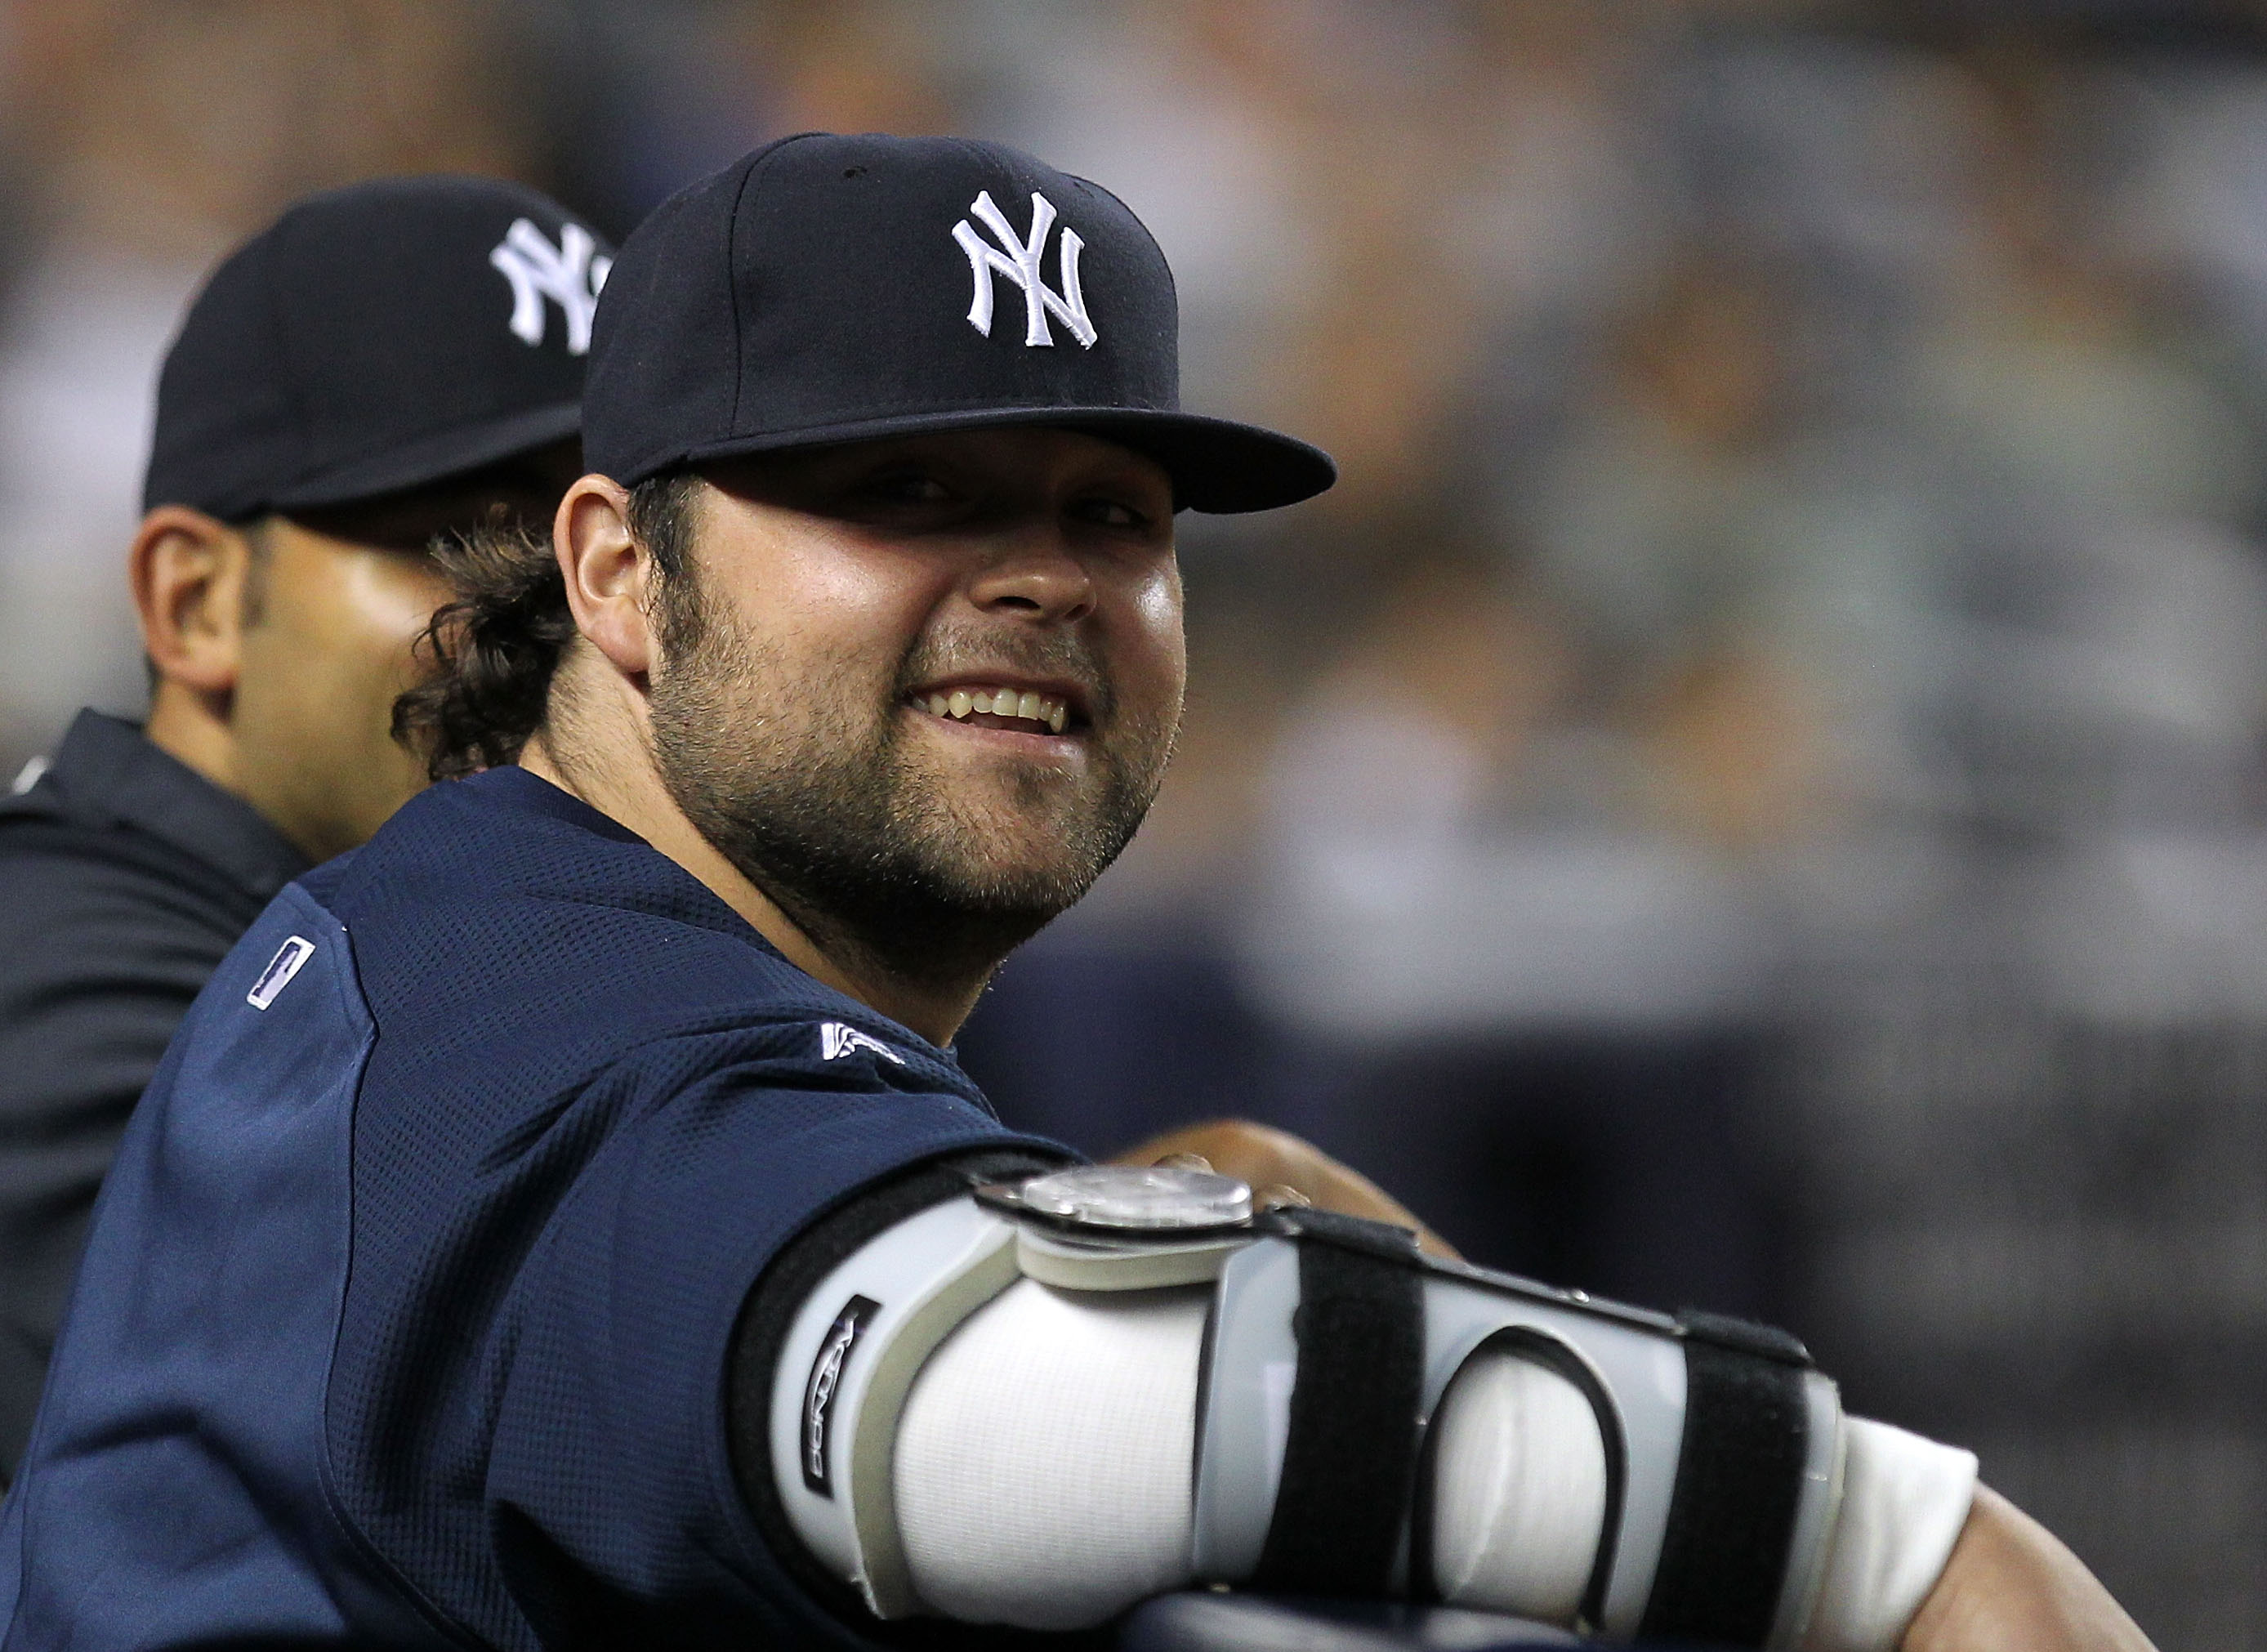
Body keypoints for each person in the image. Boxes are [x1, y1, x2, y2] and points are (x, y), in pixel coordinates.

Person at [0, 135, 2152, 1652]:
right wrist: (1886, 1531)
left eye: (1111, 509)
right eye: (902, 489)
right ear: (616, 577)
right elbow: (987, 1384)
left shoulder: (505, 939)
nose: (1038, 575)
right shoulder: (507, 1005)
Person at [0, 176, 608, 1478]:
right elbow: (495, 1480)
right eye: (466, 540)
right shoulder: (55, 986)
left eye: (603, 551)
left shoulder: (442, 957)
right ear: (200, 601)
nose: (561, 625)